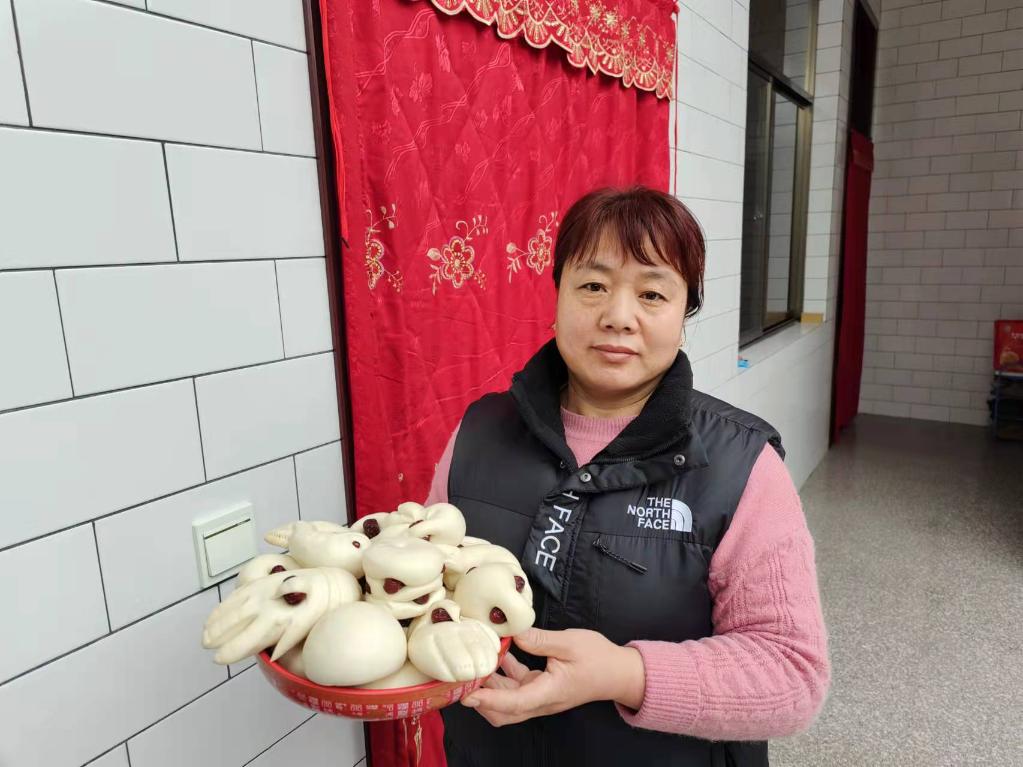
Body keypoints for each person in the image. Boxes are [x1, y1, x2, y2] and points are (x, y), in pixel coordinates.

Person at [424, 187, 830, 766]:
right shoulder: (479, 432)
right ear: (557, 295)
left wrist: (625, 673)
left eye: (652, 293)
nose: (617, 316)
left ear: (685, 315)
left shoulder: (741, 464)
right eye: (592, 286)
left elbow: (791, 675)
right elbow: (427, 593)